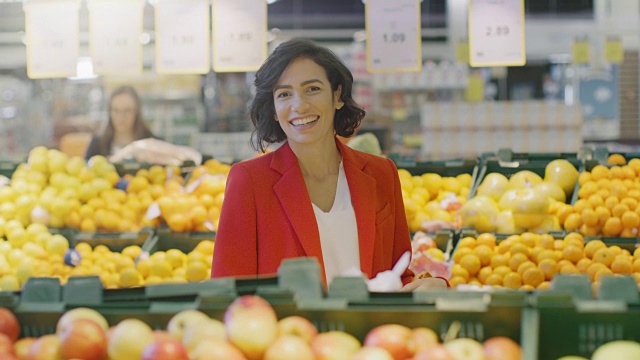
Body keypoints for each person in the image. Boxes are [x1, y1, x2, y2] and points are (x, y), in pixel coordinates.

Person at [211, 38, 446, 291]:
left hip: (371, 329)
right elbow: (227, 291)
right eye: (284, 94)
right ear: (274, 110)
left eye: (312, 89)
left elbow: (396, 276)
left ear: (337, 95)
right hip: (290, 330)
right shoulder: (250, 181)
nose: (299, 105)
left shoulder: (381, 174)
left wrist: (428, 287)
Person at [84, 86, 155, 161]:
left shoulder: (151, 142)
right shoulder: (97, 143)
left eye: (127, 111)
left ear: (137, 112)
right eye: (116, 111)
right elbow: (85, 169)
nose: (121, 117)